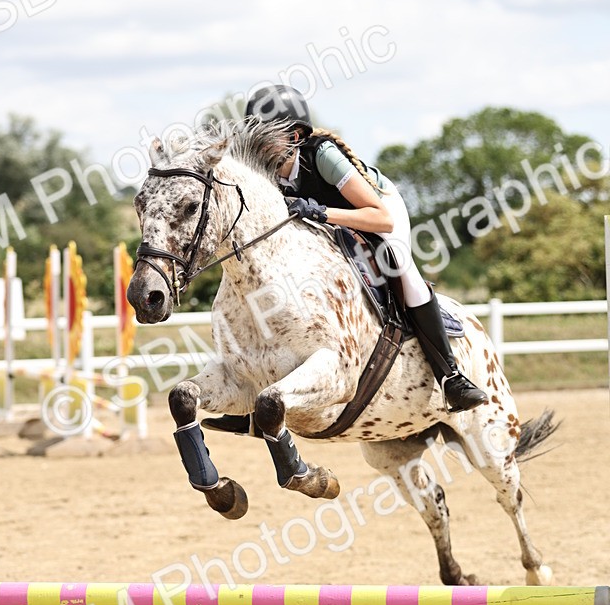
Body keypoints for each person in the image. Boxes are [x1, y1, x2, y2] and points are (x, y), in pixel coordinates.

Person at [205, 84, 487, 433]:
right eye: (256, 137)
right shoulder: (264, 169)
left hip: (377, 210)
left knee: (399, 267)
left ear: (295, 135)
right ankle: (248, 397)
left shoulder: (322, 155)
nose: (260, 146)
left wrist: (323, 212)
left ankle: (451, 377)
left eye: (268, 138)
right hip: (325, 223)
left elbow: (378, 217)